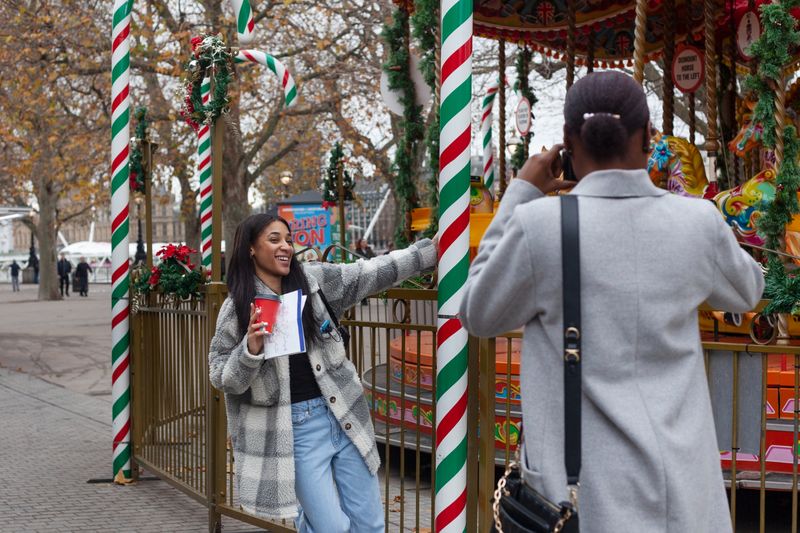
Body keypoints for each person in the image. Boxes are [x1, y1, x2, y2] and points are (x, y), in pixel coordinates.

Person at [459, 71, 764, 533]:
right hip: (682, 491)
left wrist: (521, 190)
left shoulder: (540, 227)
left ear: (567, 143)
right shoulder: (696, 223)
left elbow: (478, 312)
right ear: (647, 138)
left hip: (584, 499)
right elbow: (749, 290)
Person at [208, 213, 437, 532]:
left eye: (288, 240)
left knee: (370, 526)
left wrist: (428, 252)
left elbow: (368, 272)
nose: (285, 246)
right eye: (274, 240)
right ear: (250, 248)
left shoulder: (314, 282)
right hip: (295, 430)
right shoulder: (237, 306)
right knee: (332, 528)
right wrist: (251, 348)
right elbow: (222, 377)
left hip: (344, 414)